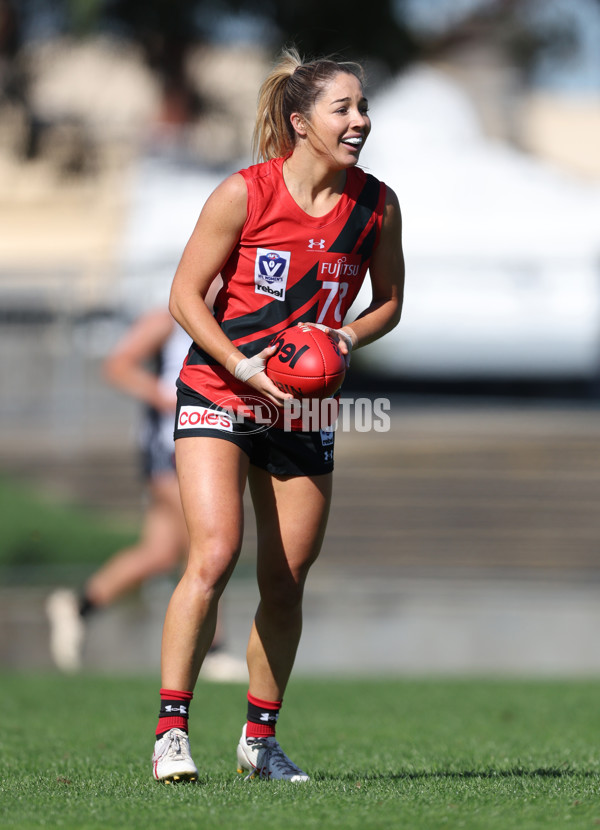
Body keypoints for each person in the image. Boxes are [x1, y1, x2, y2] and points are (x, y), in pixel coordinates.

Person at [151, 46, 404, 783]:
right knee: (215, 554)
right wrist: (242, 365)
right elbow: (184, 297)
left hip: (305, 408)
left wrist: (344, 335)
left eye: (363, 107)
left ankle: (259, 743)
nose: (359, 120)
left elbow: (388, 302)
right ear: (300, 122)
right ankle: (171, 732)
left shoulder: (377, 204)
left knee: (287, 576)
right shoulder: (245, 193)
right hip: (223, 388)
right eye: (343, 108)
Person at [46, 298, 246, 682]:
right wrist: (165, 396)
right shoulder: (168, 318)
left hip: (202, 446)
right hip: (169, 447)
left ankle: (77, 604)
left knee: (159, 553)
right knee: (208, 544)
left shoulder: (233, 315)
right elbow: (118, 365)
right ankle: (215, 650)